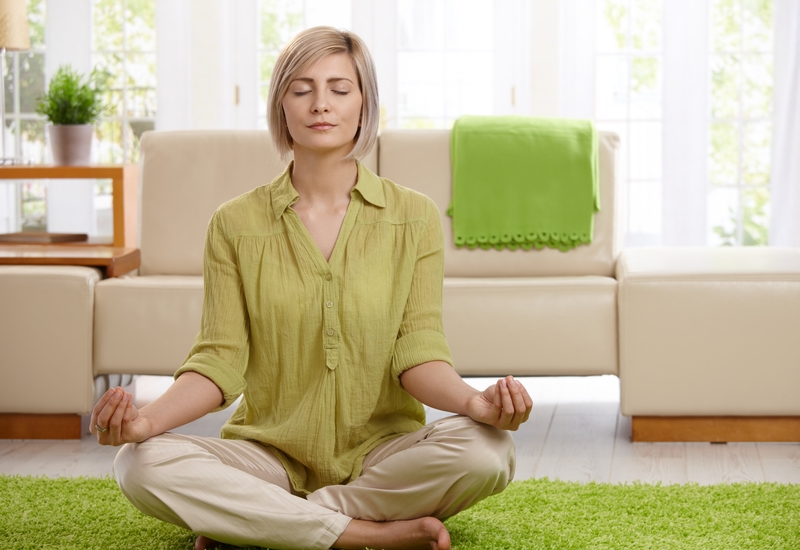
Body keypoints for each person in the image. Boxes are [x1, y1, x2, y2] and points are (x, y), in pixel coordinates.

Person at [92, 26, 533, 550]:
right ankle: (360, 533)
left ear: (364, 104)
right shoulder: (234, 223)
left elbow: (419, 354)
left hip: (383, 455)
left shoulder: (413, 217)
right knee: (139, 464)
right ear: (281, 105)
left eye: (339, 89)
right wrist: (143, 423)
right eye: (301, 89)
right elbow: (219, 361)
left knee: (488, 451)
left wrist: (476, 404)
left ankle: (262, 524)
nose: (321, 104)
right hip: (266, 457)